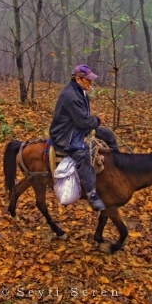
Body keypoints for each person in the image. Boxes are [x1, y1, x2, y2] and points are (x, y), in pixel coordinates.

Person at [49, 64, 106, 211]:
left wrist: (95, 121)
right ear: (78, 78)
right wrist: (97, 120)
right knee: (83, 153)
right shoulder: (71, 95)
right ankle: (91, 194)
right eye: (88, 80)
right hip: (65, 134)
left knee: (107, 134)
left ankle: (117, 164)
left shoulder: (80, 91)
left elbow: (83, 118)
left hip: (75, 126)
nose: (90, 83)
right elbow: (83, 121)